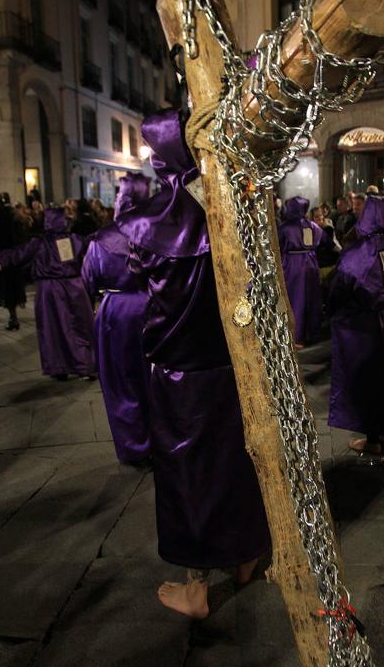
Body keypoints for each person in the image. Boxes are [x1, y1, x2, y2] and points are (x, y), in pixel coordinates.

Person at [116, 109, 270, 619]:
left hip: (179, 373)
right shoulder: (231, 210)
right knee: (235, 463)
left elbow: (136, 274)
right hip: (231, 365)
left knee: (187, 474)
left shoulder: (149, 222)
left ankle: (198, 585)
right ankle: (245, 555)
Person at [328, 196, 384, 457]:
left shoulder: (362, 250)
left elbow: (343, 283)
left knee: (368, 379)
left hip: (365, 324)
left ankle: (373, 439)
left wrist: (335, 309)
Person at [82, 173, 152, 467]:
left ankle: (135, 446)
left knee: (120, 380)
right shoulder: (158, 235)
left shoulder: (100, 241)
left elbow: (88, 279)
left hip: (115, 313)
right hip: (152, 309)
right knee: (152, 378)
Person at [0, 207, 95, 380]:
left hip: (49, 292)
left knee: (52, 328)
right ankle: (84, 365)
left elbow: (17, 255)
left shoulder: (40, 243)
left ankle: (59, 368)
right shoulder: (76, 240)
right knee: (79, 327)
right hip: (74, 287)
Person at [278, 196, 323, 348]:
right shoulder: (313, 226)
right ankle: (312, 332)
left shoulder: (285, 228)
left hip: (293, 265)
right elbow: (323, 240)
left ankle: (297, 336)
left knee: (296, 299)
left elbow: (278, 244)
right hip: (311, 262)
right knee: (311, 298)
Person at [0, 196, 27, 330]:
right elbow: (23, 243)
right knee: (15, 287)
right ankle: (13, 314)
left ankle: (13, 316)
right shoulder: (16, 225)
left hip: (3, 264)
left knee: (7, 289)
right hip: (15, 263)